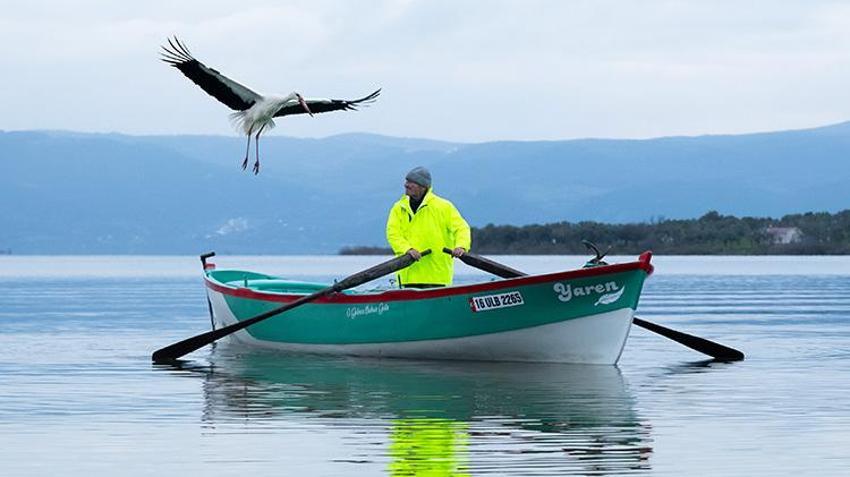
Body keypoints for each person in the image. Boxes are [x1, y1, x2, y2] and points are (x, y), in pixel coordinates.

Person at [386, 166, 471, 288]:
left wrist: (461, 246)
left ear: (423, 187)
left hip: (437, 277)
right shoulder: (398, 208)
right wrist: (407, 249)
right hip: (407, 276)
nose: (406, 185)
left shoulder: (444, 206)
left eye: (411, 182)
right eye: (406, 181)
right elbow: (392, 233)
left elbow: (462, 228)